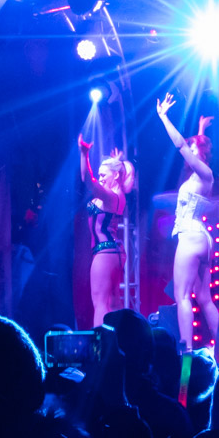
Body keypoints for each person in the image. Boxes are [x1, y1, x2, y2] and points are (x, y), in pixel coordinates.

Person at [156, 94, 218, 353]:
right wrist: (201, 130)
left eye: (195, 148)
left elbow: (182, 145)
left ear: (200, 153)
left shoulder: (204, 173)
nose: (189, 151)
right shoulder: (200, 176)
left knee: (182, 297)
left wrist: (164, 117)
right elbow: (192, 146)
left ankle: (187, 353)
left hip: (191, 236)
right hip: (201, 237)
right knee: (204, 298)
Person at [78, 137, 136, 327]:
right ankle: (122, 346)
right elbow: (89, 180)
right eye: (100, 175)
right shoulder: (117, 195)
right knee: (113, 303)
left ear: (116, 176)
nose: (101, 178)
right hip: (114, 252)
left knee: (101, 304)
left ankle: (100, 350)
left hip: (105, 252)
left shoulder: (111, 197)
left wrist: (84, 154)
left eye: (104, 175)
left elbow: (88, 180)